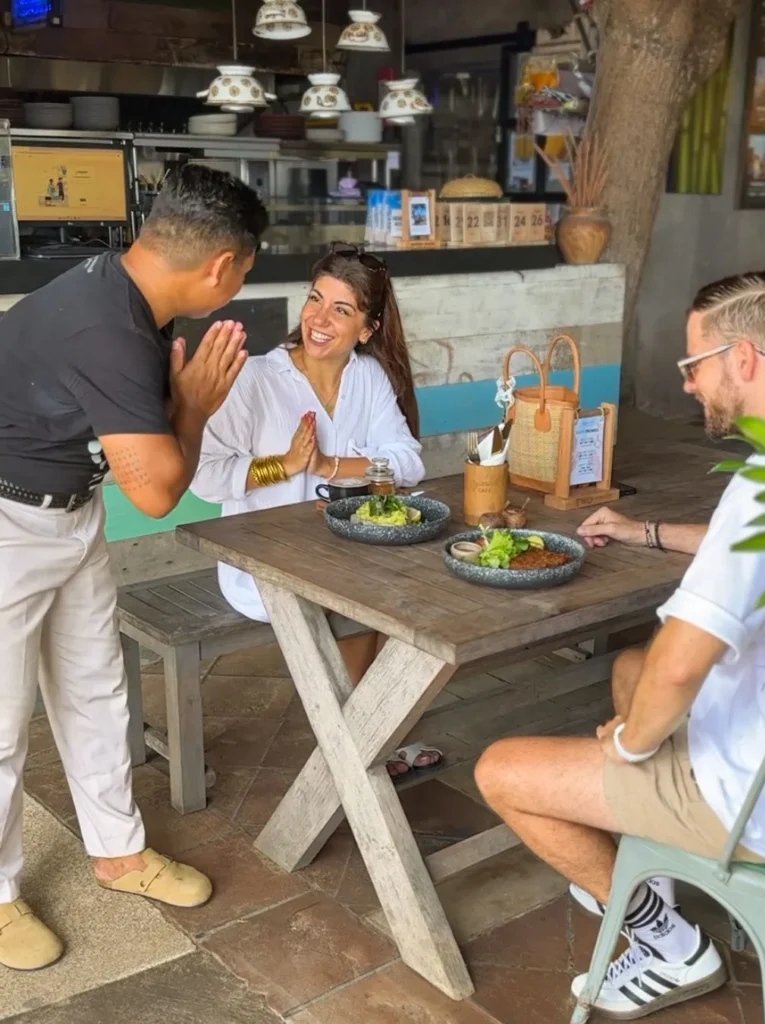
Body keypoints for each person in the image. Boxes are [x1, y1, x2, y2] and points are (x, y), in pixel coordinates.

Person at [475, 272, 765, 1019]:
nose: (690, 385)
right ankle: (648, 855)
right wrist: (645, 533)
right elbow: (756, 554)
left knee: (500, 769)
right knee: (626, 664)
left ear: (745, 359)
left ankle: (665, 940)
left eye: (693, 366)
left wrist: (627, 748)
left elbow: (682, 662)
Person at [0, 164, 268, 971]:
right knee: (1, 720)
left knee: (94, 686)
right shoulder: (109, 329)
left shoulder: (119, 289)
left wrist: (174, 402)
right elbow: (155, 493)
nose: (243, 283)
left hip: (69, 511)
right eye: (248, 269)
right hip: (8, 525)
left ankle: (118, 854)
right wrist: (191, 406)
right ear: (221, 265)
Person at [191, 243, 443, 779]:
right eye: (315, 299)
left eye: (341, 309)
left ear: (367, 329)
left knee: (408, 594)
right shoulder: (255, 380)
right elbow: (206, 474)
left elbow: (407, 463)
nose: (319, 319)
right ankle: (356, 751)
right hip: (262, 562)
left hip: (348, 549)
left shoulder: (367, 377)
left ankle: (365, 737)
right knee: (365, 606)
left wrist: (329, 464)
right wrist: (280, 468)